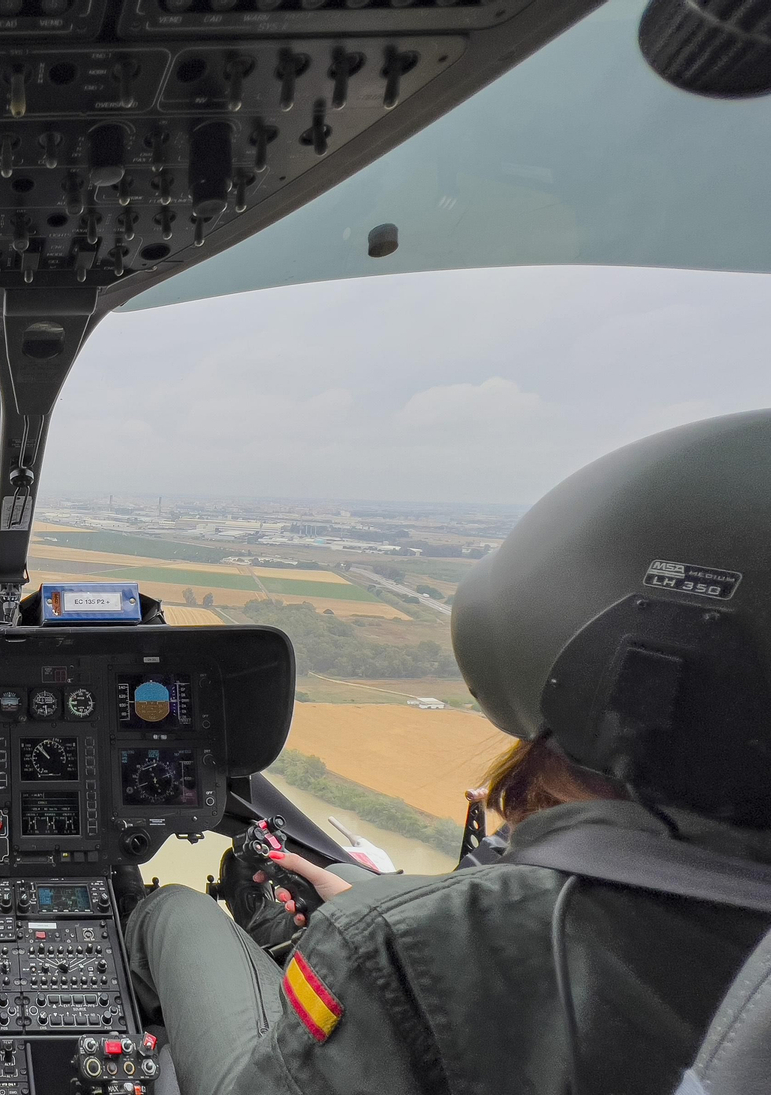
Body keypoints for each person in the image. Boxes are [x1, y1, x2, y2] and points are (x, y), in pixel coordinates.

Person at [125, 409, 771, 1095]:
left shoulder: (400, 944)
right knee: (344, 871)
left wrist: (356, 934)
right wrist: (372, 905)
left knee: (173, 912)